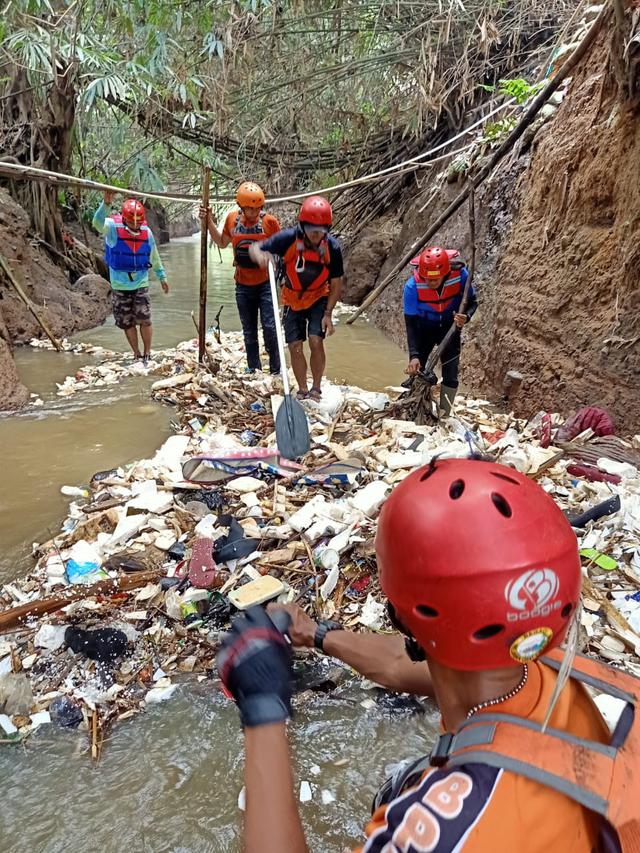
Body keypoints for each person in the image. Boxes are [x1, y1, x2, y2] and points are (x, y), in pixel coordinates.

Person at [218, 457, 638, 853]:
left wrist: (262, 710)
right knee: (406, 781)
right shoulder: (548, 673)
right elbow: (407, 663)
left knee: (402, 792)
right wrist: (316, 633)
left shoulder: (442, 831)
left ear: (403, 613)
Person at [248, 195, 343, 401]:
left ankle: (316, 388)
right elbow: (254, 248)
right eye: (312, 230)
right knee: (295, 346)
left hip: (319, 297)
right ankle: (302, 389)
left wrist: (328, 313)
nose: (316, 235)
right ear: (303, 226)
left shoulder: (332, 248)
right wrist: (262, 257)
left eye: (321, 230)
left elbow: (336, 282)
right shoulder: (288, 239)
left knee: (316, 340)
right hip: (292, 298)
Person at [201, 181, 281, 374]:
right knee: (249, 330)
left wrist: (270, 259)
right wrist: (208, 221)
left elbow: (281, 251)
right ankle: (254, 369)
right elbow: (221, 242)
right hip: (243, 286)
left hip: (265, 285)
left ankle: (276, 369)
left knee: (270, 327)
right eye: (249, 209)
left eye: (257, 208)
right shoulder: (232, 220)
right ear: (241, 207)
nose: (253, 213)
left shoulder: (270, 222)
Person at [93, 190, 169, 364]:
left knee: (145, 319)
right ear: (125, 219)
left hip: (140, 282)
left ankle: (148, 353)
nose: (136, 226)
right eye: (132, 223)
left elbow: (154, 256)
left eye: (138, 223)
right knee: (127, 323)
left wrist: (162, 277)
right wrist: (105, 204)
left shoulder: (146, 232)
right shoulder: (112, 227)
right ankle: (137, 354)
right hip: (119, 285)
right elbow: (97, 223)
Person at [404, 246, 477, 416]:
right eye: (427, 279)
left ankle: (445, 414)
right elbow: (411, 324)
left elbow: (473, 302)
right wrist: (413, 355)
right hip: (424, 328)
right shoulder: (412, 286)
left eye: (435, 280)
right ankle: (414, 408)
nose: (430, 283)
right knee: (418, 370)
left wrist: (466, 316)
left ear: (445, 273)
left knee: (451, 373)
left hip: (449, 328)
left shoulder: (461, 277)